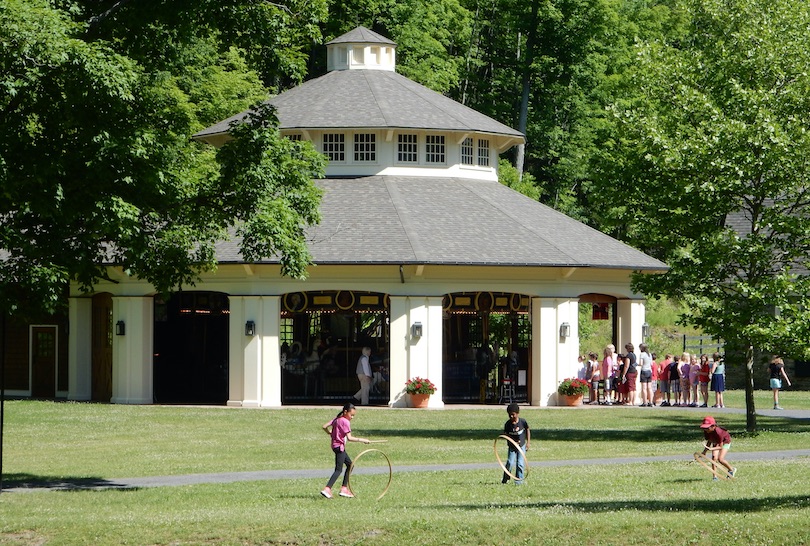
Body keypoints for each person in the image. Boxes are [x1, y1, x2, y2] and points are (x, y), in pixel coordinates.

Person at [321, 403, 371, 499]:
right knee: (338, 470)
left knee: (350, 465)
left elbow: (324, 426)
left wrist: (330, 433)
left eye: (353, 415)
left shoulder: (336, 419)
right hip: (340, 448)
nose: (352, 417)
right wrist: (363, 440)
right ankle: (327, 489)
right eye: (351, 415)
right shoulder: (345, 422)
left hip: (335, 446)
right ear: (345, 412)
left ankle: (344, 489)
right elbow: (350, 438)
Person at [501, 403, 530, 485]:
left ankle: (519, 481)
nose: (511, 417)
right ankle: (506, 479)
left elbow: (527, 430)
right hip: (512, 447)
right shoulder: (508, 424)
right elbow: (505, 435)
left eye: (513, 415)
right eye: (509, 415)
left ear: (517, 413)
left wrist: (528, 443)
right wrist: (510, 441)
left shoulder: (522, 422)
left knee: (520, 463)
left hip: (521, 446)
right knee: (509, 462)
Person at [699, 415, 736, 480]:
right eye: (704, 428)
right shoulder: (707, 431)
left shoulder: (719, 432)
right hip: (716, 442)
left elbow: (720, 447)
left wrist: (711, 449)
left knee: (720, 459)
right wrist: (704, 451)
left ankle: (731, 469)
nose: (705, 430)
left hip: (725, 443)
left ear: (713, 426)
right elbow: (709, 441)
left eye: (707, 428)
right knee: (713, 458)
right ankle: (715, 477)